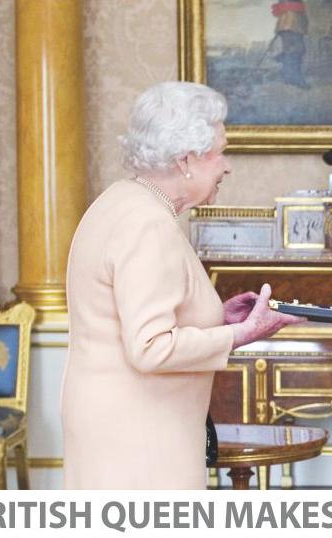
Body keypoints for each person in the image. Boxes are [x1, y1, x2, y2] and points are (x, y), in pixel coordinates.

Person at [61, 82, 302, 489]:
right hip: (141, 437)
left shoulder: (121, 201)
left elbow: (136, 314)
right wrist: (241, 334)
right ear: (186, 159)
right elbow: (151, 347)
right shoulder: (148, 224)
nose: (227, 166)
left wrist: (218, 317)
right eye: (220, 152)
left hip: (115, 425)